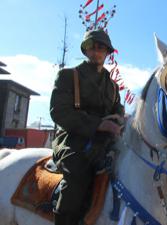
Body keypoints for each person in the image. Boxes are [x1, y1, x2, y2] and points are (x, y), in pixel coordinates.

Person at [50, 29, 124, 225]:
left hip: (106, 142)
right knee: (77, 177)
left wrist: (119, 121)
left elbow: (119, 112)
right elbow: (59, 112)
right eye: (92, 47)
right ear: (85, 50)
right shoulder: (68, 75)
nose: (96, 51)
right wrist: (100, 124)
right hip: (72, 139)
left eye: (101, 48)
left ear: (107, 52)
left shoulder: (113, 87)